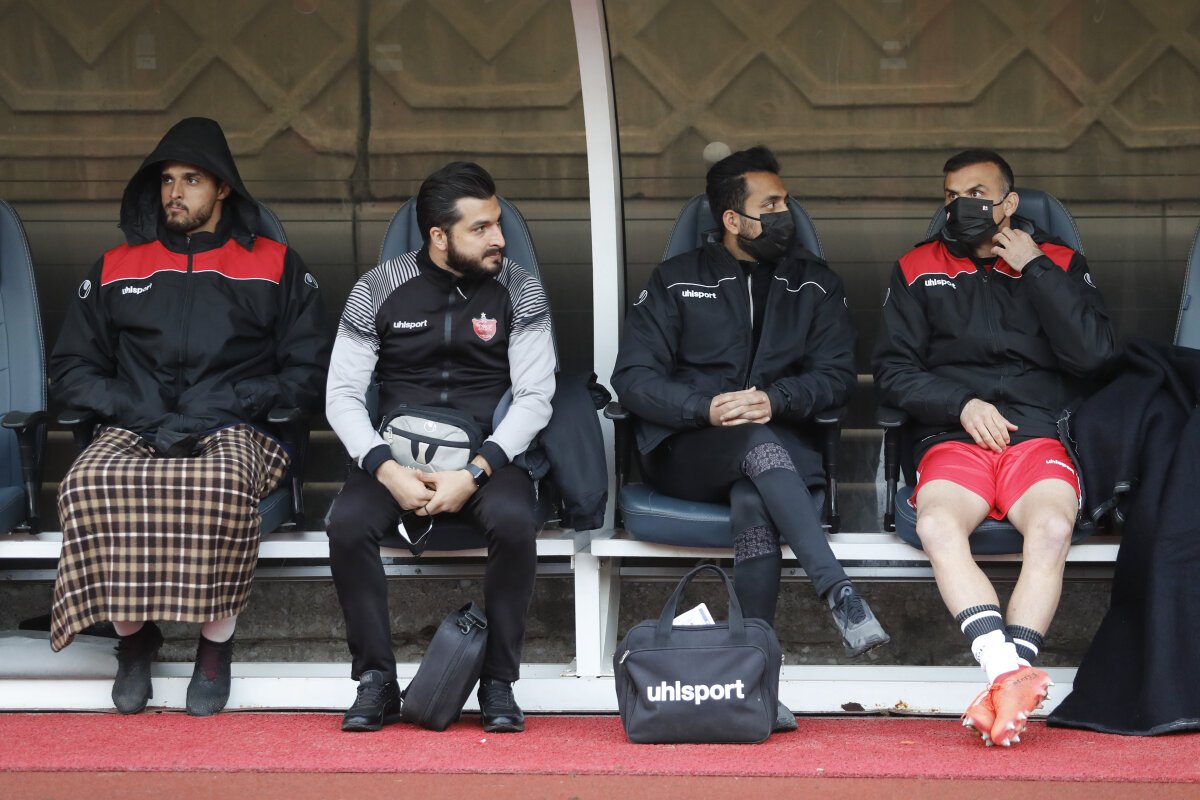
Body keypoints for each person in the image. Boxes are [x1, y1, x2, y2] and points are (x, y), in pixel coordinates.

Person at [49, 117, 329, 716]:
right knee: (87, 483)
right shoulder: (117, 265)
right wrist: (133, 405)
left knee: (216, 486)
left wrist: (239, 399)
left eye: (192, 180)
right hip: (136, 422)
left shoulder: (275, 263)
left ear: (223, 187)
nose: (175, 193)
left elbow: (309, 372)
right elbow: (70, 368)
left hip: (236, 425)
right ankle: (133, 639)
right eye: (167, 180)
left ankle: (214, 645)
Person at [612, 145, 890, 732]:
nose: (786, 214)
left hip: (782, 452)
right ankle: (837, 589)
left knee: (753, 499)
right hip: (691, 451)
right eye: (772, 205)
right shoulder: (676, 280)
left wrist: (776, 399)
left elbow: (837, 376)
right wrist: (703, 408)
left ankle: (757, 686)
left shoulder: (815, 284)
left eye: (785, 202)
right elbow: (633, 378)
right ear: (733, 219)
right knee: (750, 446)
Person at [872, 149, 1115, 747]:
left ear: (1009, 203)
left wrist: (1036, 268)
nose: (961, 206)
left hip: (1038, 432)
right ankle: (1008, 671)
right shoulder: (918, 267)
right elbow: (893, 371)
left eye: (977, 194)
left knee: (1052, 528)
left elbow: (1095, 357)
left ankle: (1007, 680)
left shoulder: (1058, 261)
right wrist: (960, 403)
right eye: (951, 196)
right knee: (936, 524)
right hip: (955, 433)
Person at [325, 162, 555, 733]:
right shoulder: (377, 288)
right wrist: (387, 471)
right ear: (438, 235)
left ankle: (498, 682)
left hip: (486, 454)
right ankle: (376, 681)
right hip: (395, 454)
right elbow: (342, 396)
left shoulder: (520, 289)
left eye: (497, 223)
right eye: (481, 228)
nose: (499, 238)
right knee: (346, 524)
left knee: (514, 522)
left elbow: (535, 397)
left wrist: (474, 473)